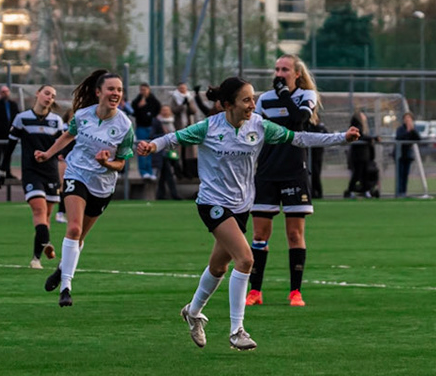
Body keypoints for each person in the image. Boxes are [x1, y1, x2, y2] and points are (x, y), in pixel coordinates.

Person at [140, 75, 359, 353]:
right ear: (228, 104)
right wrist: (151, 146)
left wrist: (342, 138)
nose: (252, 104)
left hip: (241, 206)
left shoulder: (259, 126)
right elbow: (172, 138)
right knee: (245, 259)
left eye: (253, 98)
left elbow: (300, 138)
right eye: (246, 100)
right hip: (212, 204)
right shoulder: (208, 127)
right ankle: (236, 330)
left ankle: (193, 312)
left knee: (219, 267)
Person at [35, 69, 134, 307]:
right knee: (74, 228)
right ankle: (66, 287)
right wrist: (48, 154)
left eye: (119, 90)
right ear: (99, 92)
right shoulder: (83, 115)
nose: (116, 93)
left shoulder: (124, 126)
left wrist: (106, 163)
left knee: (79, 238)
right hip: (76, 174)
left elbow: (121, 163)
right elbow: (68, 136)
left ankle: (62, 269)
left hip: (102, 185)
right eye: (111, 89)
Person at [250, 56, 325, 305]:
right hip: (267, 172)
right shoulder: (264, 99)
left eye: (285, 70)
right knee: (260, 234)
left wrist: (284, 95)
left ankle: (295, 292)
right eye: (277, 69)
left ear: (296, 74)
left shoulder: (306, 95)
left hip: (294, 171)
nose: (279, 73)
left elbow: (298, 120)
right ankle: (255, 291)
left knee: (294, 234)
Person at [8, 83, 66, 269]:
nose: (49, 97)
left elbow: (63, 145)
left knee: (46, 217)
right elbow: (9, 145)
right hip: (31, 172)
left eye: (53, 96)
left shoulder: (56, 121)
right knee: (39, 211)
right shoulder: (22, 118)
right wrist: (2, 169)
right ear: (38, 94)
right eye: (47, 93)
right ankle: (46, 243)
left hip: (51, 173)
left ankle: (36, 258)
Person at [343, 110, 379, 198]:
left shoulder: (363, 127)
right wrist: (372, 139)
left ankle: (366, 191)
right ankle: (350, 191)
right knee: (357, 174)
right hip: (358, 155)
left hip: (364, 155)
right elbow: (361, 136)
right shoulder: (357, 126)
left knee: (364, 174)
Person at [130, 82, 160, 176]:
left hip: (151, 127)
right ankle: (143, 171)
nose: (143, 92)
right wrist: (140, 107)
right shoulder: (137, 101)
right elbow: (133, 112)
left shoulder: (153, 100)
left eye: (144, 90)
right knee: (142, 149)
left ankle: (150, 171)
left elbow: (157, 109)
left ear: (148, 90)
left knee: (150, 148)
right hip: (141, 127)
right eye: (141, 90)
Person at [154, 105, 182, 200]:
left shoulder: (174, 121)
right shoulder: (157, 122)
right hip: (162, 151)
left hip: (173, 150)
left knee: (163, 174)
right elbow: (152, 135)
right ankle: (174, 194)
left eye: (167, 110)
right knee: (169, 173)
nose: (165, 112)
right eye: (163, 110)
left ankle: (160, 195)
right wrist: (164, 135)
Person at [393, 111, 421, 197]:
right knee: (400, 174)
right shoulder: (400, 129)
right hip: (400, 155)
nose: (408, 120)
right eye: (406, 118)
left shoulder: (413, 129)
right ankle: (399, 192)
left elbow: (418, 138)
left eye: (409, 118)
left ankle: (404, 192)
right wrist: (408, 131)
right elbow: (399, 138)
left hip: (408, 155)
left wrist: (412, 130)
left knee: (405, 175)